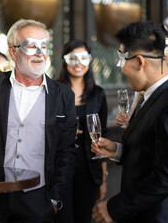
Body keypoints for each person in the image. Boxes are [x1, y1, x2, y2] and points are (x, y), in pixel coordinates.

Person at [0, 19, 76, 222]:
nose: (40, 53)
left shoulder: (63, 95)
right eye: (31, 45)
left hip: (38, 199)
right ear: (13, 52)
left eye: (44, 46)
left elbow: (66, 152)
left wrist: (54, 200)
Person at [91, 21, 168, 223]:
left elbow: (165, 177)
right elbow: (151, 151)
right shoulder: (152, 96)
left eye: (122, 59)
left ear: (140, 61)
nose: (120, 68)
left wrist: (114, 207)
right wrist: (118, 150)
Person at [55, 40, 108, 223]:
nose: (78, 63)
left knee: (84, 218)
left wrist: (102, 177)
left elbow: (103, 137)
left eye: (83, 58)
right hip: (59, 169)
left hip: (88, 169)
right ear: (64, 60)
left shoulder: (98, 94)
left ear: (90, 60)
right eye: (73, 58)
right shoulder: (54, 91)